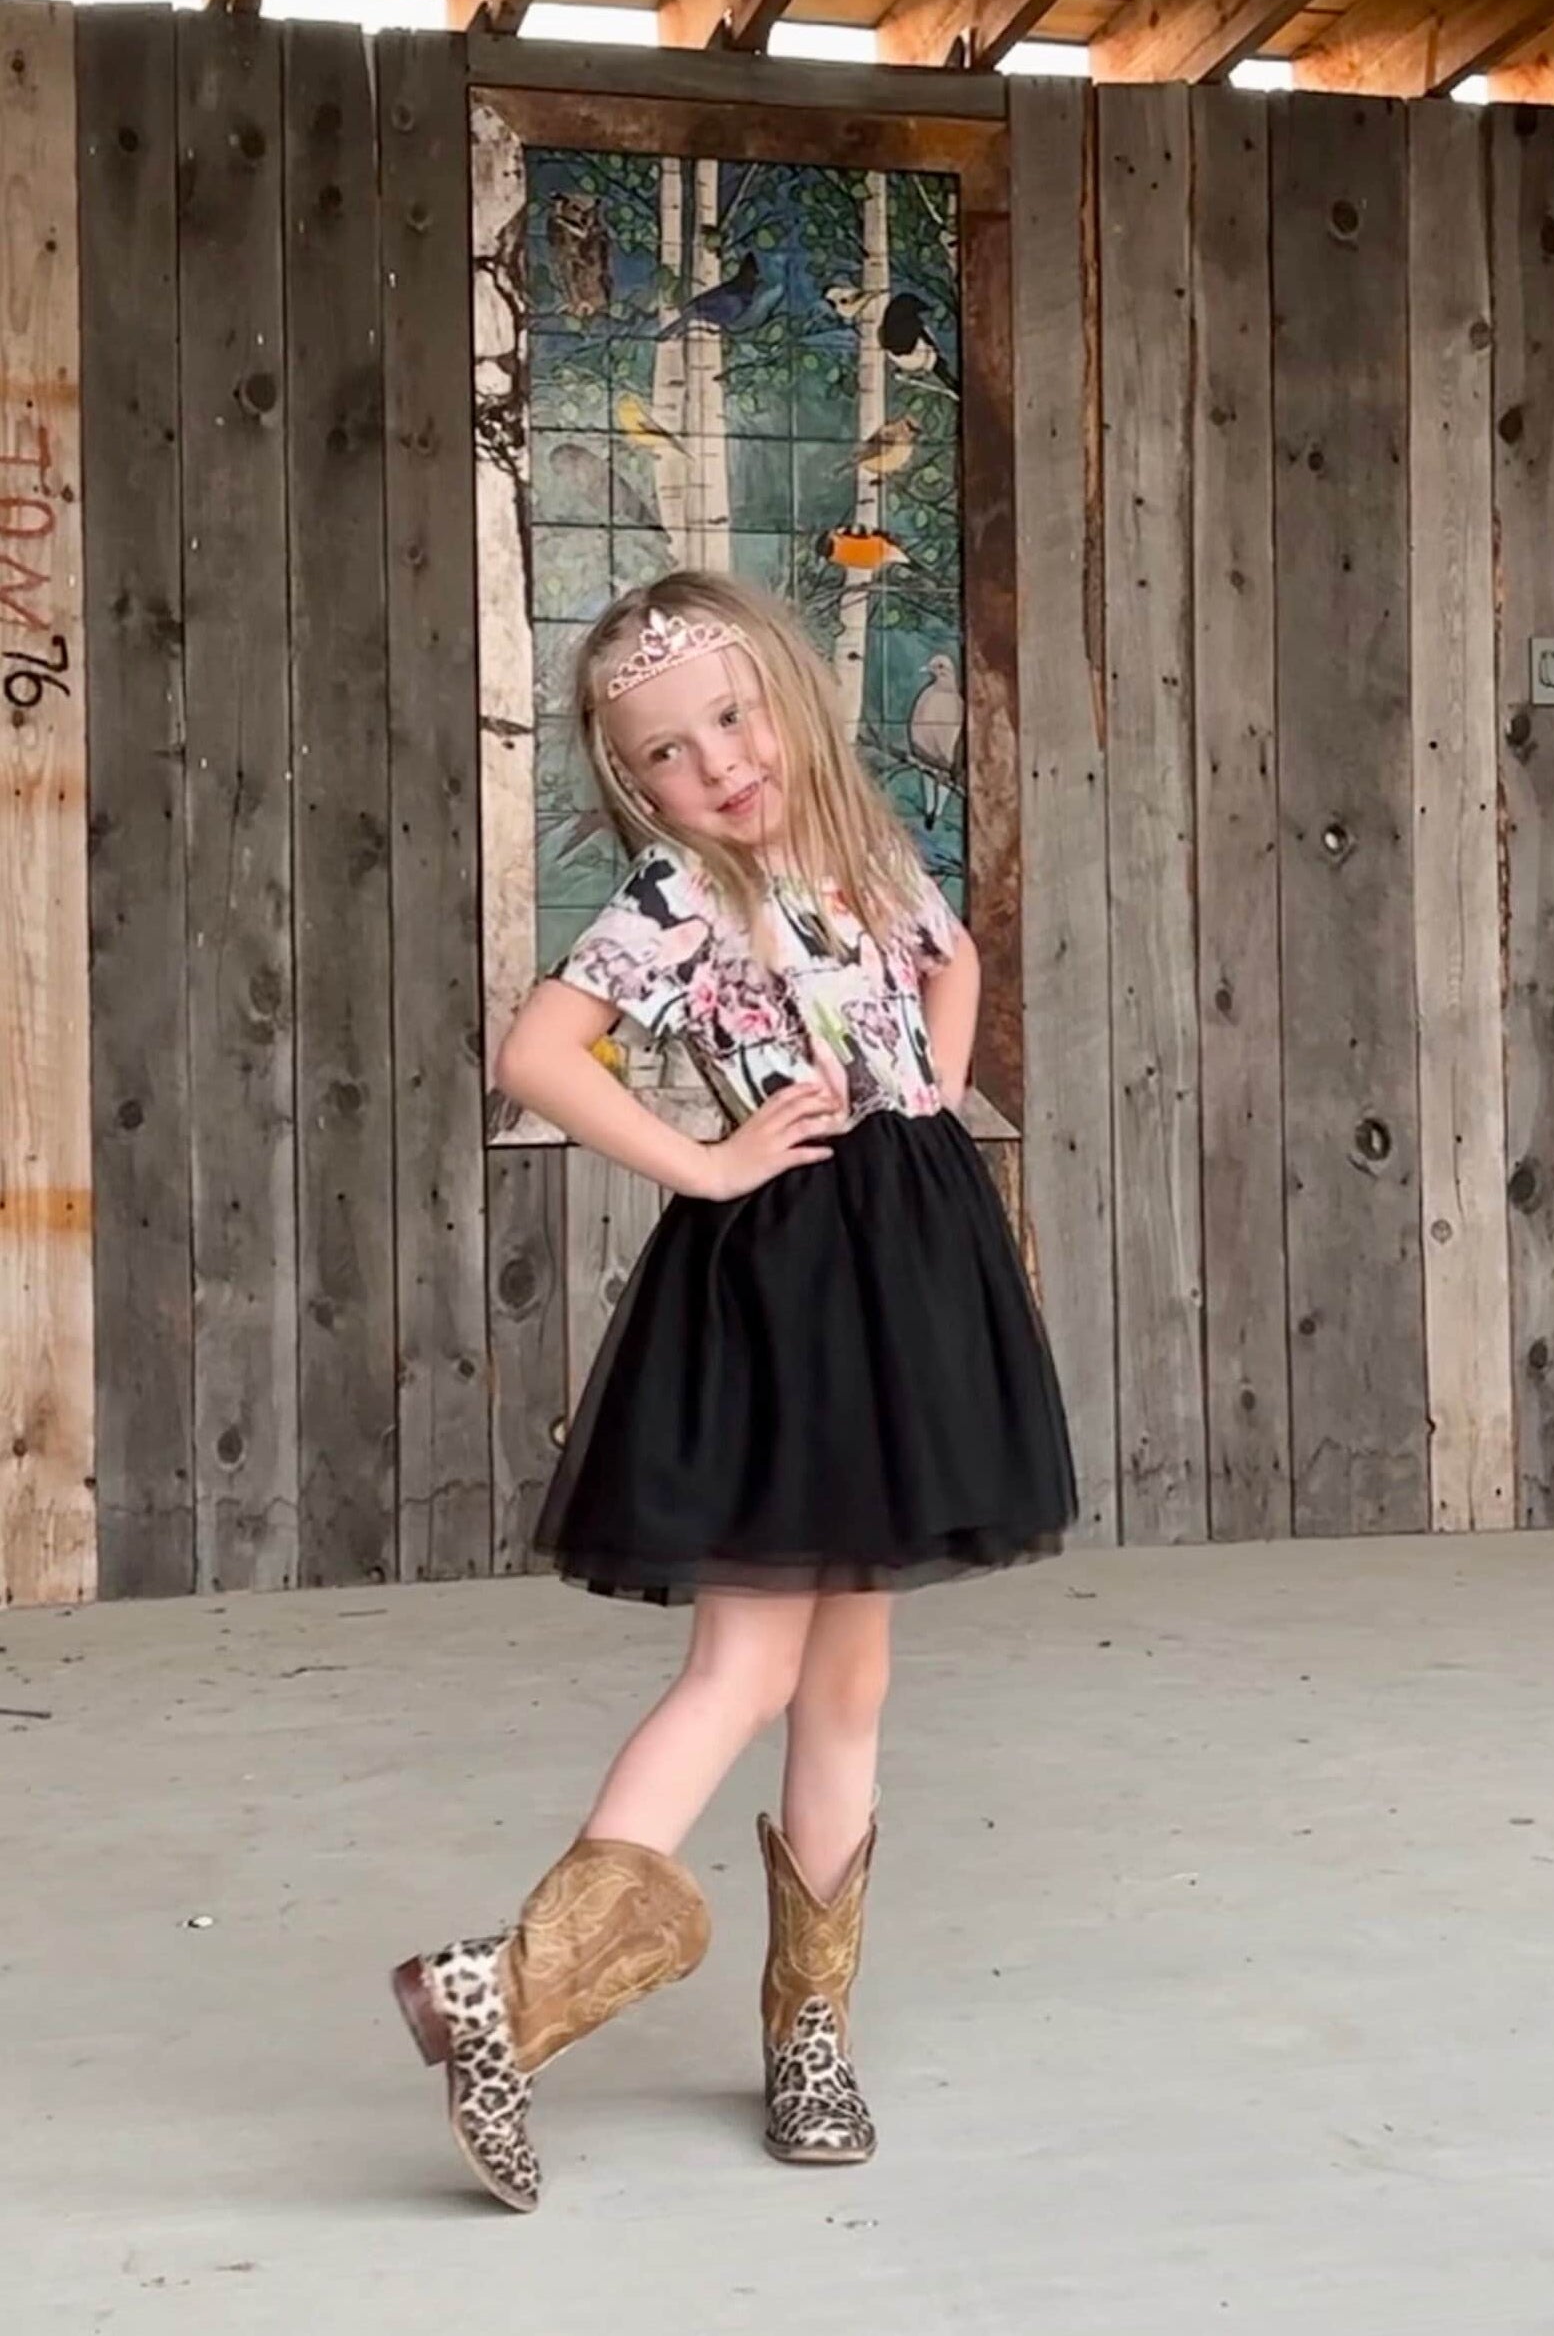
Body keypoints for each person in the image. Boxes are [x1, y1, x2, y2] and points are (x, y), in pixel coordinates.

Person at [390, 571, 1078, 2212]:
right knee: (750, 1664)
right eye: (667, 751)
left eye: (730, 716)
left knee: (848, 1689)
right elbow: (537, 1056)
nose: (715, 761)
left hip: (908, 1271)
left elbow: (951, 959)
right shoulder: (677, 896)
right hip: (790, 1288)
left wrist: (922, 1093)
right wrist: (705, 1168)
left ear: (783, 695)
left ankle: (807, 2029)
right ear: (636, 784)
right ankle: (511, 1987)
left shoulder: (864, 847)